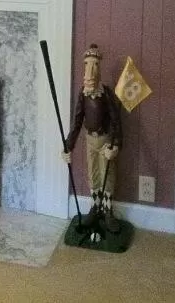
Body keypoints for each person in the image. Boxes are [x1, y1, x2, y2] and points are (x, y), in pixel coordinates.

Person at [62, 43, 122, 232]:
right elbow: (77, 121)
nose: (90, 71)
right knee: (93, 174)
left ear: (99, 67)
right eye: (87, 64)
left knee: (107, 175)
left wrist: (115, 144)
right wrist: (68, 145)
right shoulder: (83, 94)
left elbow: (116, 121)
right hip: (90, 141)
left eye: (94, 65)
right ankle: (95, 207)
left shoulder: (106, 93)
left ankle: (108, 210)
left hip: (105, 142)